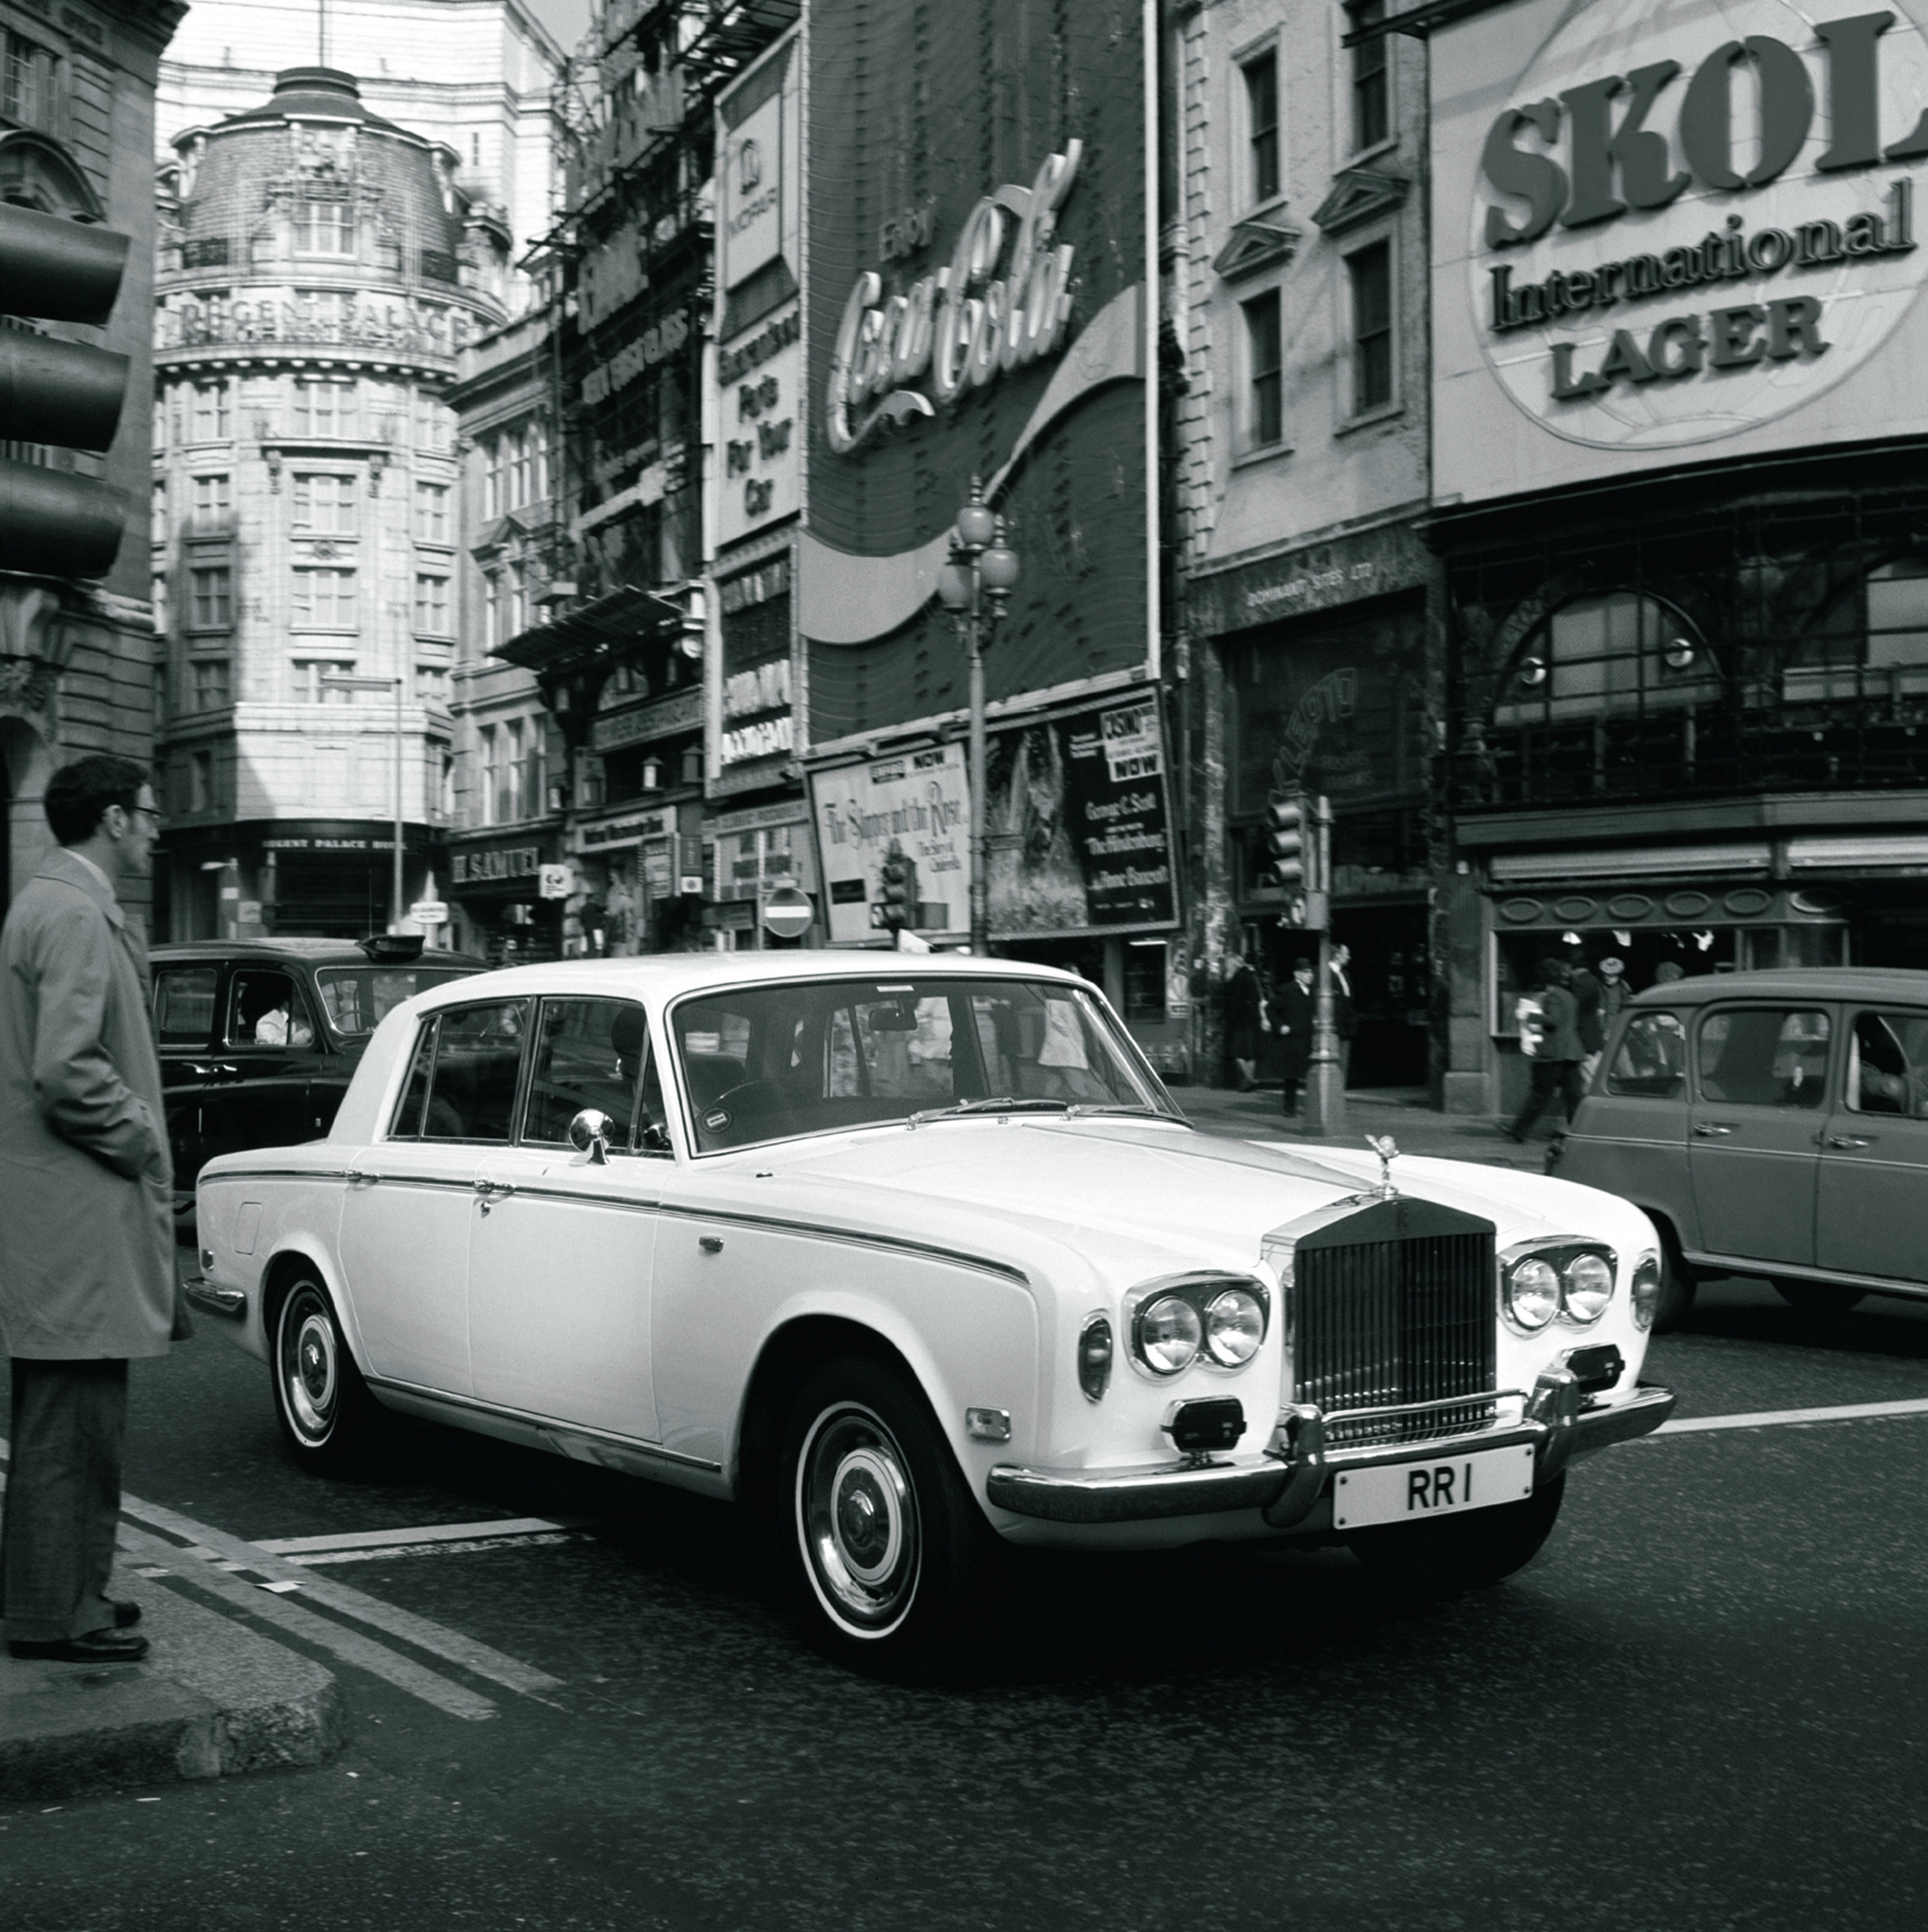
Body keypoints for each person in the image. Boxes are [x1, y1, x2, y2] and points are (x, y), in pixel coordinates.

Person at [0, 757, 175, 1663]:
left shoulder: (55, 901)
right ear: (113, 816)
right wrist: (140, 1134)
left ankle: (68, 1594)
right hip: (78, 1213)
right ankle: (55, 1613)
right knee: (71, 1426)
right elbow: (68, 1069)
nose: (156, 829)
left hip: (60, 1214)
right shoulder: (73, 911)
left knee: (65, 1420)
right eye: (149, 814)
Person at [1506, 957, 1585, 1143]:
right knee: (1573, 1096)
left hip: (1554, 1053)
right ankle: (1578, 1132)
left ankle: (1519, 1130)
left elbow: (1553, 1020)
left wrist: (1529, 1015)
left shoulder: (1554, 996)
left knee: (1540, 1094)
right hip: (1572, 1052)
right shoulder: (1569, 995)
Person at [1221, 948, 1267, 1092]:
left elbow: (1234, 1000)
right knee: (1250, 1053)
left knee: (1238, 1052)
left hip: (1240, 1020)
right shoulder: (1251, 975)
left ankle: (1249, 1079)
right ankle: (1249, 1081)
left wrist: (1230, 1016)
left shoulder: (1236, 978)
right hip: (1253, 1017)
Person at [1276, 957, 1315, 1117]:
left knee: (1310, 1074)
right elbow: (1272, 1009)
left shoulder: (1314, 992)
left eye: (1310, 972)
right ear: (1297, 974)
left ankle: (1311, 1107)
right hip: (1293, 1039)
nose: (1310, 975)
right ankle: (1289, 1107)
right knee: (1292, 1076)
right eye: (1306, 972)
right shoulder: (1287, 990)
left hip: (1309, 1038)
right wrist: (1281, 1026)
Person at [1328, 943, 1359, 1088]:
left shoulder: (1345, 974)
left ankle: (1339, 1095)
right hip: (1332, 1027)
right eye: (1347, 954)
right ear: (1337, 955)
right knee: (1332, 1065)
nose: (1349, 957)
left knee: (1343, 1064)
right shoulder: (1325, 974)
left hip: (1346, 1027)